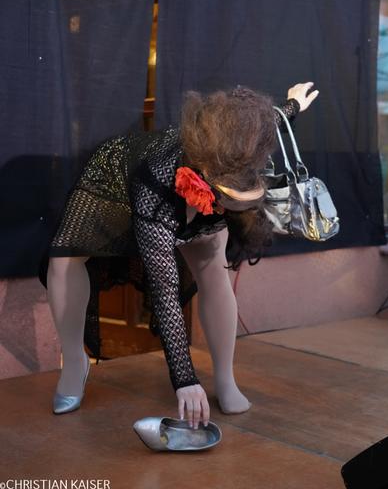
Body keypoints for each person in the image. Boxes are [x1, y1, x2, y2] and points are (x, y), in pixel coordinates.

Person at [40, 82, 319, 428]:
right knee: (65, 258)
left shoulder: (238, 153)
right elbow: (165, 292)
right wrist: (184, 379)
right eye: (226, 205)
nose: (225, 214)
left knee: (214, 268)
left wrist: (293, 105)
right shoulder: (155, 189)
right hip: (117, 179)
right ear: (209, 184)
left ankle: (226, 379)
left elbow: (266, 122)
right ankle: (73, 363)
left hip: (195, 189)